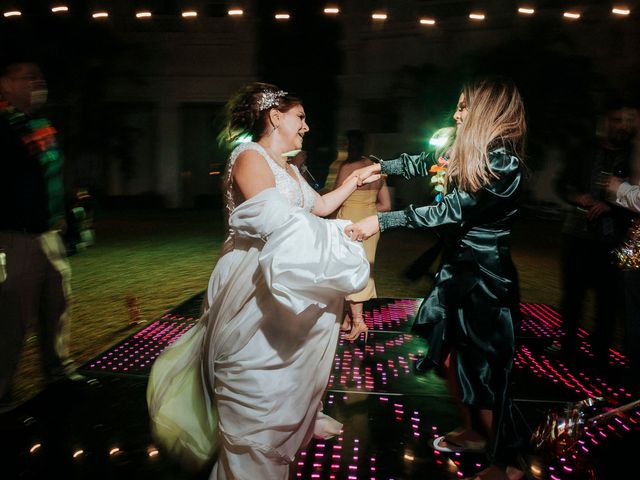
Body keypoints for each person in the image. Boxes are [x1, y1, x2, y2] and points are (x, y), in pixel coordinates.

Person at [147, 83, 377, 478]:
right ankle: (250, 455)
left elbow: (317, 206)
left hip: (287, 268)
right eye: (300, 117)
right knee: (253, 374)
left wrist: (352, 184)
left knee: (285, 366)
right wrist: (344, 237)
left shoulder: (288, 164)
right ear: (275, 117)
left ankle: (287, 423)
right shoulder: (249, 157)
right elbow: (277, 224)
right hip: (253, 276)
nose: (306, 127)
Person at [346, 77, 527, 480]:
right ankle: (475, 431)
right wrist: (380, 166)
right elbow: (423, 162)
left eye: (464, 107)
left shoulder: (502, 162)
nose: (456, 114)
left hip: (486, 277)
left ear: (487, 111)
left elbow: (452, 212)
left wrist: (382, 220)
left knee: (484, 370)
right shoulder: (464, 150)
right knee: (450, 358)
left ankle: (508, 462)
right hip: (457, 270)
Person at [0, 57, 87, 413]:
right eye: (26, 77)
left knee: (58, 305)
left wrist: (62, 214)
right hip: (13, 235)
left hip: (48, 235)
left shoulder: (40, 126)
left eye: (39, 76)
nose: (36, 82)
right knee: (12, 316)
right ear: (4, 84)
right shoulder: (2, 126)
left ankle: (58, 372)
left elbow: (51, 177)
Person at [555, 101, 638, 362]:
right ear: (604, 123)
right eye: (616, 121)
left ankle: (601, 354)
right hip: (577, 236)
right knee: (573, 295)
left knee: (608, 301)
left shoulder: (633, 155)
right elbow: (561, 183)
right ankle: (567, 346)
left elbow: (634, 198)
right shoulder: (583, 150)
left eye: (626, 122)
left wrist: (613, 204)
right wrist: (577, 196)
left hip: (613, 240)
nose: (621, 127)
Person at [334, 129, 391, 341]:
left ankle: (357, 322)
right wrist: (368, 209)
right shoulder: (377, 171)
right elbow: (386, 205)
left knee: (348, 271)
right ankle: (348, 319)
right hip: (370, 223)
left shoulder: (347, 168)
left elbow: (336, 198)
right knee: (365, 269)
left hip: (349, 224)